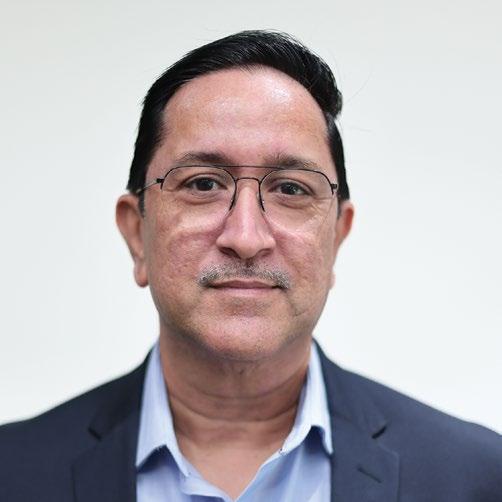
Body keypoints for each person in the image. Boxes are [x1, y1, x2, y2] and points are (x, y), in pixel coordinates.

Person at [0, 30, 500, 502]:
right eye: (202, 184)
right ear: (137, 234)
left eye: (291, 189)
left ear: (336, 237)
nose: (245, 237)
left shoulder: (475, 478)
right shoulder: (13, 472)